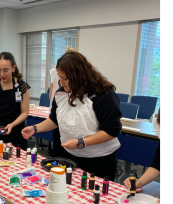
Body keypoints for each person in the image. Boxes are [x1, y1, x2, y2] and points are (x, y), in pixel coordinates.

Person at [21, 47, 122, 180]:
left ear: (79, 76)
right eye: (59, 78)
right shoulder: (63, 93)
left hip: (99, 161)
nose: (61, 83)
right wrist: (35, 128)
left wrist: (81, 142)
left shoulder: (103, 95)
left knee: (95, 195)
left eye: (65, 78)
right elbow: (54, 120)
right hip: (70, 156)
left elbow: (112, 131)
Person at [0, 52, 30, 149]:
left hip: (16, 131)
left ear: (13, 68)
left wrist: (12, 125)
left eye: (5, 70)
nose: (2, 74)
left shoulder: (21, 86)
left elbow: (24, 113)